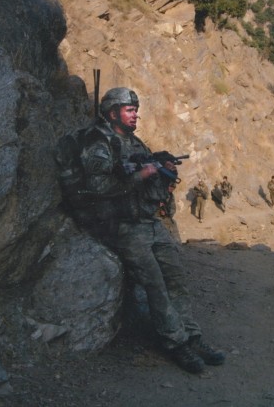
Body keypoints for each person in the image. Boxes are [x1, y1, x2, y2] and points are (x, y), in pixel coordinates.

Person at [80, 87, 224, 374]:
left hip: (149, 223)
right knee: (156, 284)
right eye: (129, 110)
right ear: (112, 113)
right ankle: (175, 343)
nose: (135, 114)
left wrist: (162, 172)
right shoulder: (100, 145)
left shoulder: (136, 144)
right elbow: (97, 188)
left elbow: (151, 187)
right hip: (125, 227)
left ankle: (192, 336)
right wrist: (140, 175)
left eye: (135, 110)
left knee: (176, 276)